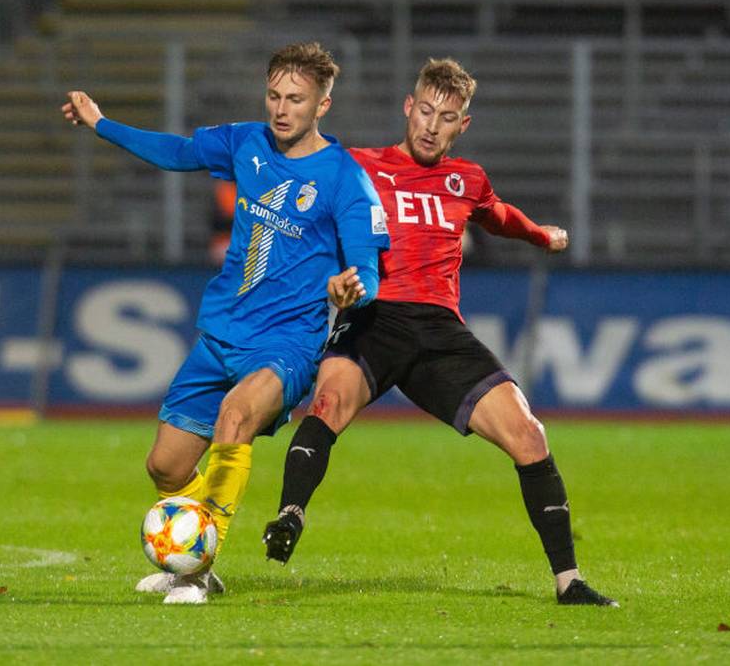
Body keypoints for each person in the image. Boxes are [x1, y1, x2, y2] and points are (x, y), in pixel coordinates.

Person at [262, 58, 619, 607]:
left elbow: (495, 213)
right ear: (408, 107)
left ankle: (569, 582)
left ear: (462, 126)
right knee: (327, 402)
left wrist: (539, 235)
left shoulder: (466, 179)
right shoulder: (359, 165)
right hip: (373, 316)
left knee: (530, 436)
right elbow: (307, 211)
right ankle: (289, 516)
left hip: (439, 330)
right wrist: (328, 277)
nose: (431, 125)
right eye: (425, 111)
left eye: (446, 117)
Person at [63, 42, 390, 604]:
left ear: (323, 105)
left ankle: (195, 568)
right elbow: (177, 151)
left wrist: (348, 287)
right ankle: (196, 551)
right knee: (165, 468)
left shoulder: (345, 179)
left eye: (296, 99)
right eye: (274, 95)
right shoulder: (247, 143)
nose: (281, 109)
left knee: (234, 416)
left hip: (287, 342)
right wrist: (102, 124)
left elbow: (367, 268)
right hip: (220, 334)